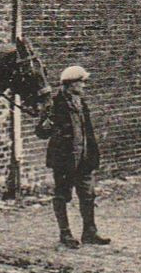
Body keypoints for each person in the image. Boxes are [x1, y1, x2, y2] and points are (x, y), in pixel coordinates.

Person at [36, 65, 110, 248]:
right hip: (64, 159)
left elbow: (87, 130)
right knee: (62, 195)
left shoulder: (81, 102)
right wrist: (47, 123)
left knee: (88, 195)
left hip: (83, 158)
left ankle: (89, 232)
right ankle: (65, 233)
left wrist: (92, 154)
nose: (83, 86)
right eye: (81, 82)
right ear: (70, 84)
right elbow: (41, 132)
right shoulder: (54, 103)